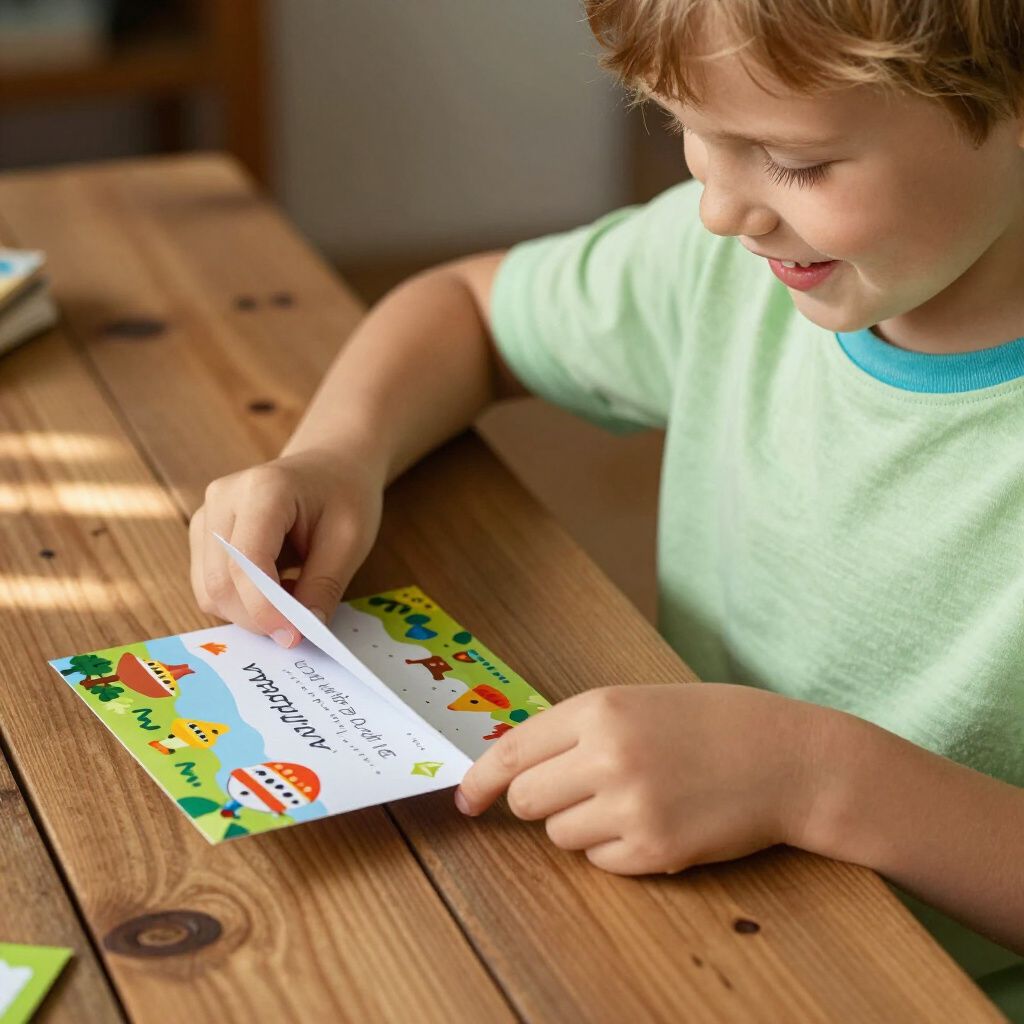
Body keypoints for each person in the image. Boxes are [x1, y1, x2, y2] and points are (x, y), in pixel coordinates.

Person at [189, 1, 1024, 1014]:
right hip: (688, 928)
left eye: (795, 162)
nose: (719, 207)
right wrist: (336, 452)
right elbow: (467, 310)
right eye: (682, 126)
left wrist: (815, 780)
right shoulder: (726, 263)